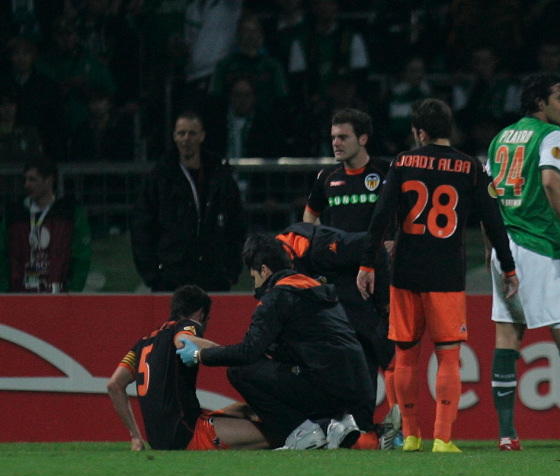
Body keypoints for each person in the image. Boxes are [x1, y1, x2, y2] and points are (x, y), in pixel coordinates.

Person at [357, 98, 518, 453]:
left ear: (419, 132)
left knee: (405, 355)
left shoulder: (403, 162)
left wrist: (367, 264)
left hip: (405, 270)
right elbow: (493, 221)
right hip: (446, 273)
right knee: (447, 355)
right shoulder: (470, 167)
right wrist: (508, 267)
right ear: (450, 130)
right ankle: (443, 438)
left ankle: (411, 436)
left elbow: (380, 216)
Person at [485, 73, 560, 451]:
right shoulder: (551, 135)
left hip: (505, 247)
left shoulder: (501, 138)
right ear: (540, 103)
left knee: (507, 336)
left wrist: (490, 246)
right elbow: (550, 180)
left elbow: (489, 195)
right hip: (541, 246)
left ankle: (507, 435)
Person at [177, 233, 375, 450]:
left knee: (240, 371)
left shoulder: (278, 296)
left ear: (264, 270)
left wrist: (200, 354)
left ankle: (302, 432)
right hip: (358, 393)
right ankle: (334, 425)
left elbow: (248, 352)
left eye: (254, 277)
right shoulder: (317, 289)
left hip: (326, 389)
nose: (255, 286)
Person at [303, 108, 398, 441]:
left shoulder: (386, 172)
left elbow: (406, 213)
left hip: (381, 280)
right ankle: (360, 426)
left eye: (343, 137)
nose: (336, 143)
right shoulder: (326, 177)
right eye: (333, 137)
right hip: (342, 282)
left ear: (363, 138)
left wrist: (394, 243)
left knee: (387, 352)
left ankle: (399, 426)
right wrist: (313, 251)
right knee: (352, 354)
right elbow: (309, 217)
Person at [107, 285, 272, 451]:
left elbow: (114, 385)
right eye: (207, 320)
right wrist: (232, 353)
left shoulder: (143, 342)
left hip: (157, 440)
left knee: (244, 409)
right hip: (187, 434)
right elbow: (183, 340)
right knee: (275, 434)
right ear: (201, 314)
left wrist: (135, 436)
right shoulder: (189, 324)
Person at [130, 111, 246, 291]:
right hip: (171, 277)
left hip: (213, 276)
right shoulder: (160, 178)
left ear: (202, 136)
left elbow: (236, 225)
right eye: (181, 133)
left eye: (192, 133)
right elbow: (142, 227)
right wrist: (153, 275)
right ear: (174, 137)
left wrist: (230, 271)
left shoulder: (219, 176)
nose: (186, 139)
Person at [0, 156, 91, 293]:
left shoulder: (69, 213)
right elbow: (2, 255)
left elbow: (81, 257)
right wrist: (4, 293)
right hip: (18, 296)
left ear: (49, 180)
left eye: (32, 179)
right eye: (25, 180)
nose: (26, 185)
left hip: (58, 295)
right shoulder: (14, 215)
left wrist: (73, 291)